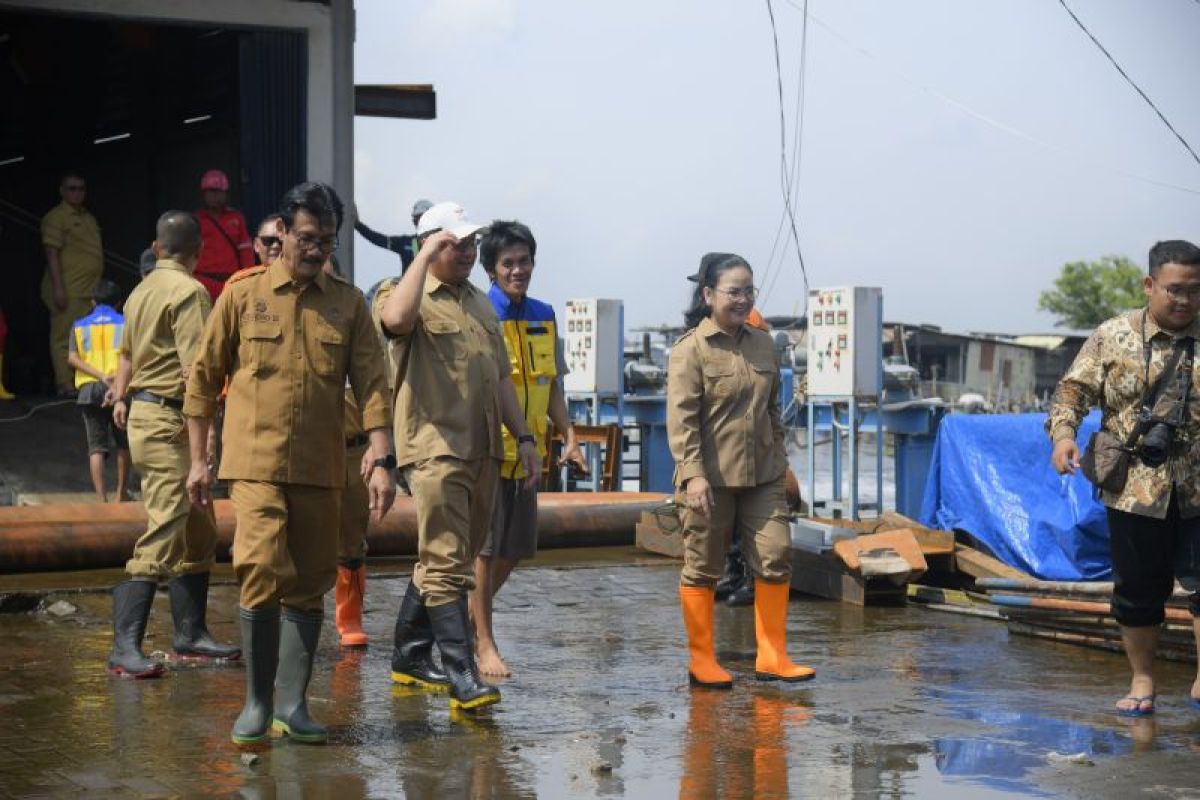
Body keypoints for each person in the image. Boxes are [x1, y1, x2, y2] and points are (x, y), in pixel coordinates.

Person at [184, 182, 395, 745]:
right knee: (257, 567)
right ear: (282, 234)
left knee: (309, 582)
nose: (316, 249)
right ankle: (255, 703)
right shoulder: (242, 294)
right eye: (306, 238)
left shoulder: (348, 305)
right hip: (253, 464)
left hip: (321, 467)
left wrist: (380, 452)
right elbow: (203, 378)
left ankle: (292, 705)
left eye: (326, 240)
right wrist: (198, 460)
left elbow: (374, 384)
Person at [378, 201, 540, 711]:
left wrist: (526, 438)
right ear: (430, 244)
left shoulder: (478, 303)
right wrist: (423, 257)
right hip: (434, 448)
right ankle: (461, 673)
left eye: (472, 243)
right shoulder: (405, 291)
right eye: (456, 243)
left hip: (484, 448)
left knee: (446, 558)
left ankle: (408, 657)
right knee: (448, 561)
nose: (469, 252)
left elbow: (499, 379)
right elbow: (395, 321)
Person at [1049, 239, 1200, 718]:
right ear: (1150, 284)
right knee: (1137, 590)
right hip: (1135, 488)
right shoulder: (1113, 336)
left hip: (1199, 484)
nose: (1185, 301)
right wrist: (1063, 436)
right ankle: (1142, 679)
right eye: (1175, 290)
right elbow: (1072, 391)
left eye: (1196, 292)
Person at [667, 252, 814, 689]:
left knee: (776, 554)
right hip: (709, 479)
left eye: (748, 290)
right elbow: (682, 418)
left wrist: (782, 466)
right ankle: (702, 660)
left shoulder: (763, 343)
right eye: (733, 291)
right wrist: (692, 474)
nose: (742, 298)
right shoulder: (690, 349)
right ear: (709, 294)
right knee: (703, 567)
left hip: (763, 476)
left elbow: (772, 411)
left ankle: (772, 655)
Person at [104, 212, 241, 680]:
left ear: (157, 246)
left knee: (199, 523)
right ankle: (125, 646)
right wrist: (208, 439)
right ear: (199, 250)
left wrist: (120, 395)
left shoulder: (140, 291)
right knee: (168, 521)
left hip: (148, 414)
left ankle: (190, 635)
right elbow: (196, 373)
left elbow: (126, 355)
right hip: (170, 421)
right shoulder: (189, 292)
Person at [470, 219, 587, 677]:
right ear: (492, 269)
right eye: (508, 263)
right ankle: (484, 644)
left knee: (515, 547)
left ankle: (464, 619)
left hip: (530, 450)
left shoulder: (544, 314)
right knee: (485, 548)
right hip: (488, 449)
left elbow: (552, 384)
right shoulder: (480, 313)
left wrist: (570, 437)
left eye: (524, 261)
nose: (518, 270)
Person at [66, 279, 131, 502]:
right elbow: (131, 357)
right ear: (119, 303)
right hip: (120, 388)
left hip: (89, 390)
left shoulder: (79, 325)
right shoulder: (125, 323)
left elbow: (72, 358)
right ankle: (121, 494)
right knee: (124, 443)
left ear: (93, 301)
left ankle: (101, 499)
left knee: (96, 447)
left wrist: (98, 375)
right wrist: (112, 381)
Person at [41, 171, 103, 396]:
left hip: (90, 290)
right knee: (63, 337)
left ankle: (81, 380)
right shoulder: (56, 217)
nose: (77, 193)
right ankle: (64, 383)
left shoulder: (89, 217)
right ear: (62, 191)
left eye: (81, 189)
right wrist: (58, 287)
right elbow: (51, 252)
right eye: (71, 188)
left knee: (85, 337)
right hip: (68, 289)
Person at [193, 169, 254, 302]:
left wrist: (248, 279)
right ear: (204, 194)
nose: (214, 196)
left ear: (225, 194)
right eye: (210, 192)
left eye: (218, 192)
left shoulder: (237, 218)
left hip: (231, 283)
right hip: (202, 282)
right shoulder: (196, 220)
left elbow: (246, 251)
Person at [354, 199, 432, 271]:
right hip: (412, 285)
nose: (417, 221)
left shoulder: (442, 242)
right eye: (416, 218)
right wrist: (358, 225)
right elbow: (379, 239)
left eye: (420, 217)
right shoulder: (407, 242)